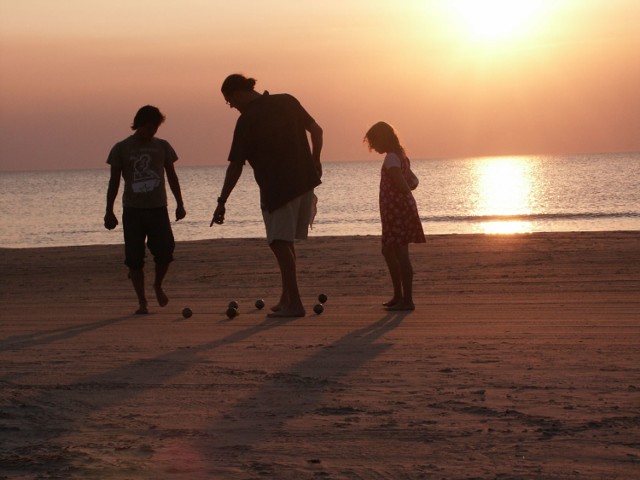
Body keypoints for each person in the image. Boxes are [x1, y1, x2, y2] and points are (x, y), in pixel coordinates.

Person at [211, 74, 323, 318]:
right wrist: (316, 160)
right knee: (284, 241)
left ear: (238, 93)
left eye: (230, 101)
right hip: (305, 183)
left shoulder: (247, 120)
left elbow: (236, 165)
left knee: (279, 242)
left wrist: (222, 201)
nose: (232, 107)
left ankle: (295, 304)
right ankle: (286, 298)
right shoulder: (287, 101)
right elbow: (317, 130)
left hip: (278, 189)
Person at [104, 105, 186, 314]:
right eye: (149, 128)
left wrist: (180, 203)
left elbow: (172, 177)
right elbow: (113, 182)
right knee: (134, 258)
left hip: (158, 208)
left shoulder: (162, 146)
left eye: (155, 128)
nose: (152, 132)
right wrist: (109, 210)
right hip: (133, 210)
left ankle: (157, 284)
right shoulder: (121, 148)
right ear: (139, 124)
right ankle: (142, 302)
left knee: (166, 251)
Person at [364, 121, 425, 311]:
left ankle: (406, 299)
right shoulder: (401, 156)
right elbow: (414, 180)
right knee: (388, 251)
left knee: (401, 254)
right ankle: (399, 296)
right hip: (397, 210)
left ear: (383, 139)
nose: (372, 147)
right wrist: (409, 188)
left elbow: (401, 183)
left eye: (374, 142)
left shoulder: (391, 158)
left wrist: (405, 191)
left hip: (397, 212)